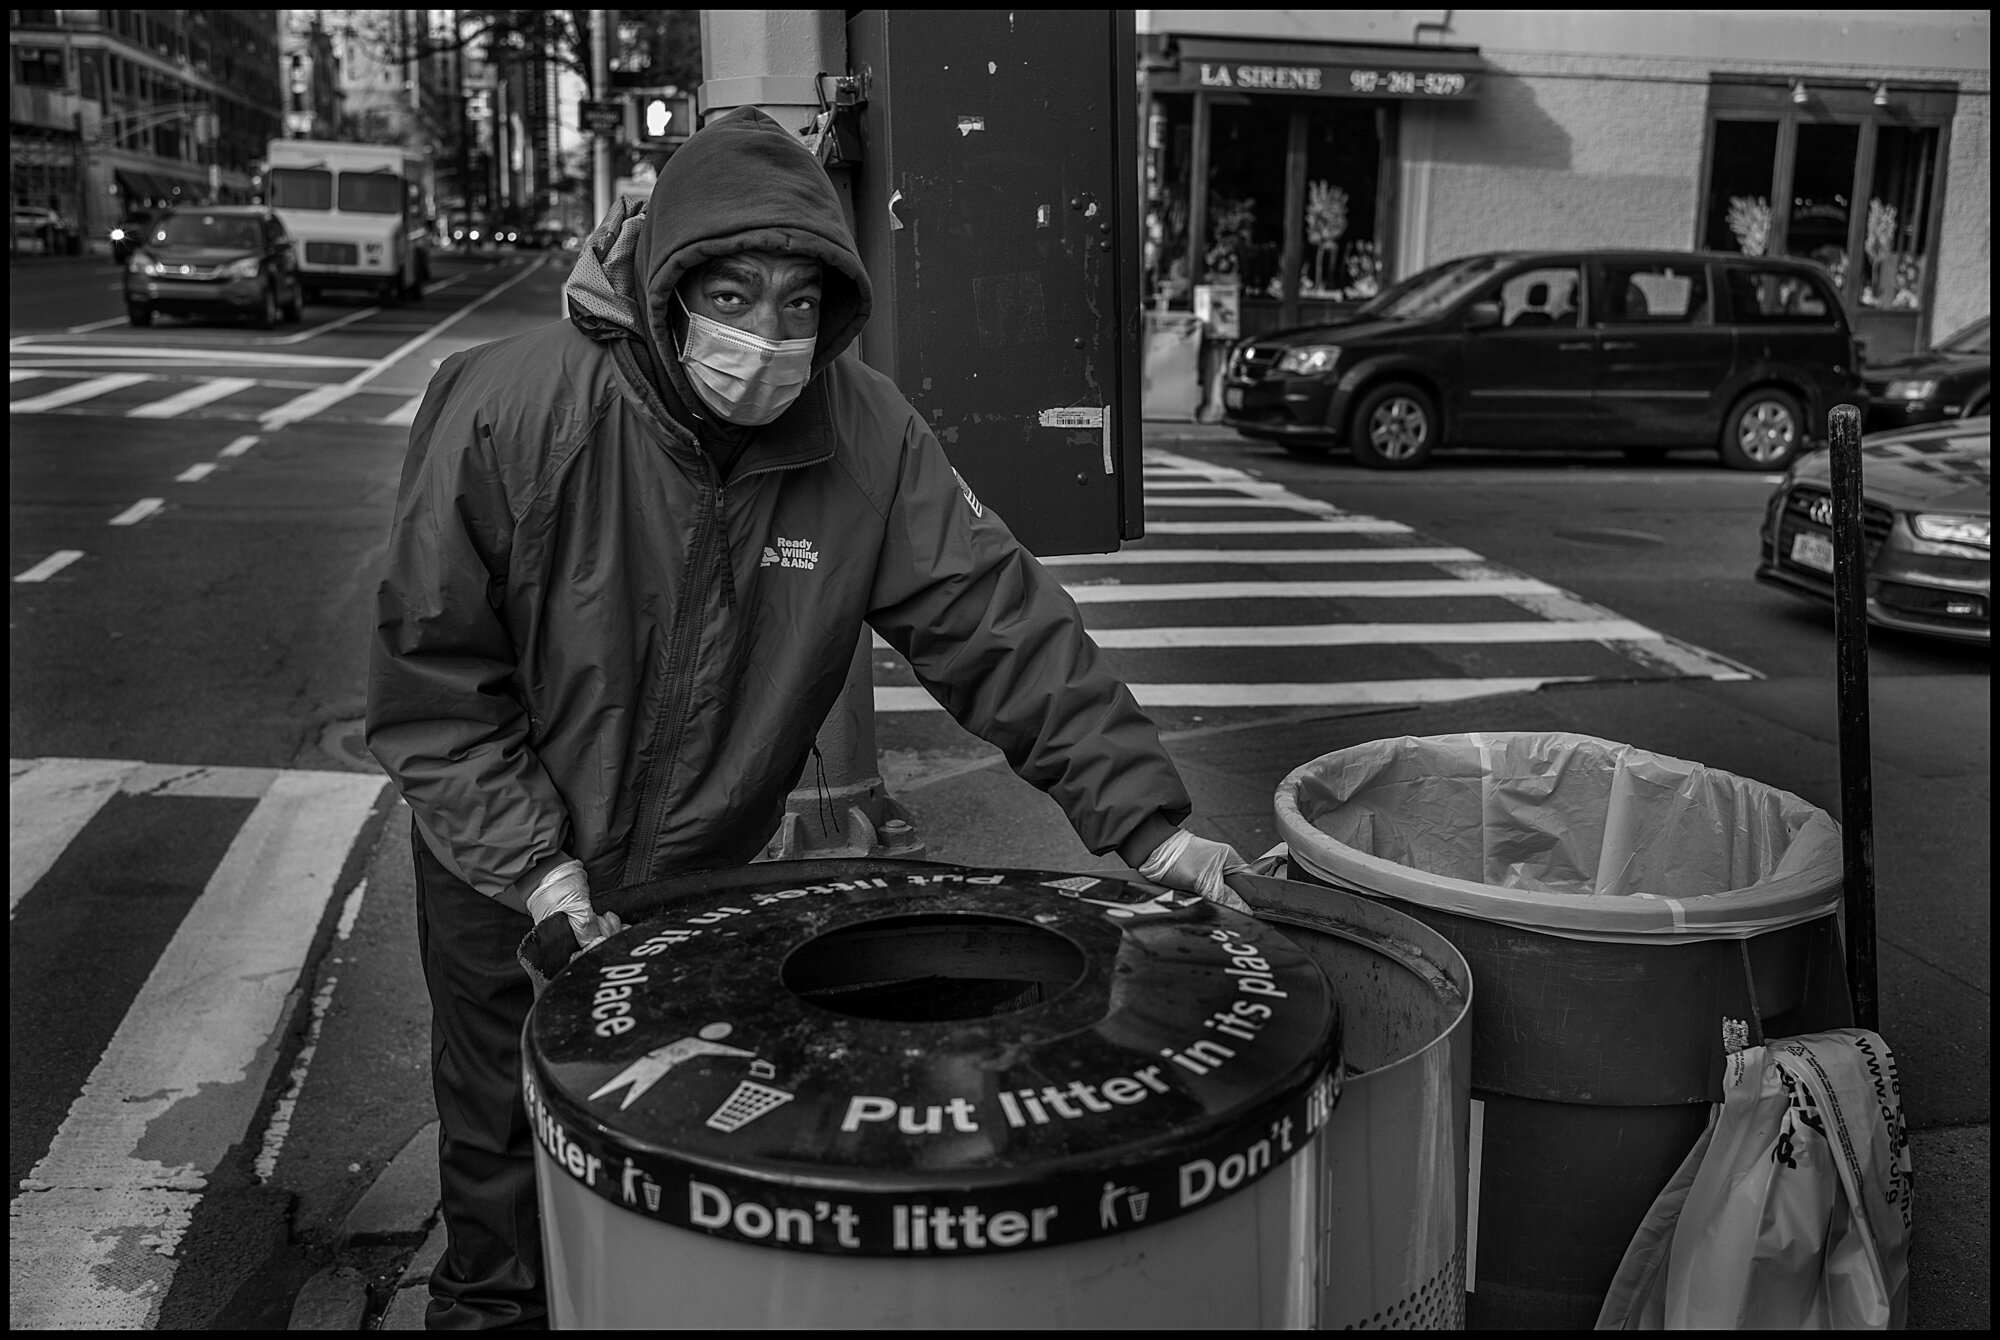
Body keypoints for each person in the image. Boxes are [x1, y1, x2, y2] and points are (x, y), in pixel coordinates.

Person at [366, 106, 1249, 1330]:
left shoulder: (861, 431)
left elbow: (995, 622)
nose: (765, 339)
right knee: (504, 1146)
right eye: (731, 294)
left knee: (670, 1144)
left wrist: (1151, 826)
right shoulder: (510, 410)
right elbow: (436, 686)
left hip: (693, 876)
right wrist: (535, 867)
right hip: (502, 872)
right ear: (667, 281)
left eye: (798, 305)